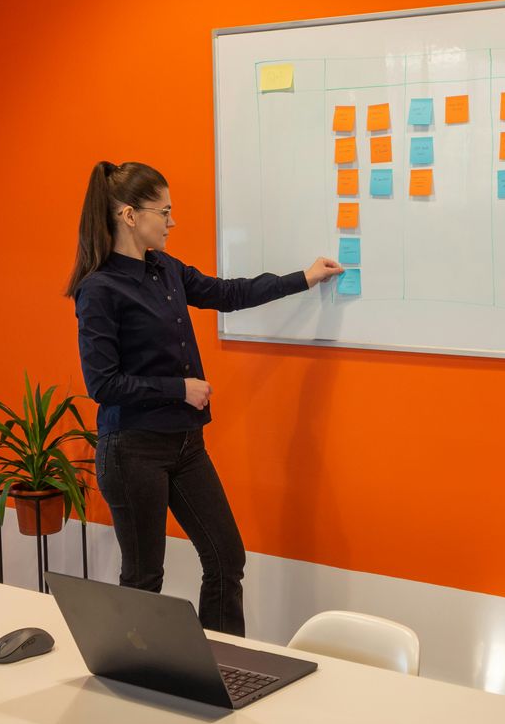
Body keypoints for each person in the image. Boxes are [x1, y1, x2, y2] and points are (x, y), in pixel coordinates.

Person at [66, 160, 343, 636]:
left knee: (225, 557)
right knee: (143, 577)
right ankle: (134, 679)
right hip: (132, 450)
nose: (172, 222)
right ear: (130, 216)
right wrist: (179, 388)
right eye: (165, 212)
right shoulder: (99, 289)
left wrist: (303, 277)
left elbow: (227, 293)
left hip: (185, 445)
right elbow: (103, 384)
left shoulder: (165, 269)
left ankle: (220, 667)